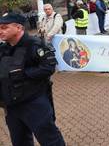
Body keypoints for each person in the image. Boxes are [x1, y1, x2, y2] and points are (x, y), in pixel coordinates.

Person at [0, 13, 65, 146]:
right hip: (12, 107)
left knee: (50, 140)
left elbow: (48, 67)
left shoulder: (34, 45)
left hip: (34, 103)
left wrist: (23, 74)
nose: (0, 31)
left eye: (4, 27)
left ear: (18, 28)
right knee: (20, 141)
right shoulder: (3, 49)